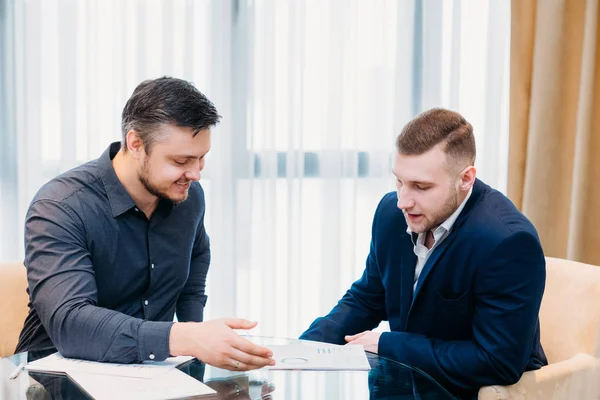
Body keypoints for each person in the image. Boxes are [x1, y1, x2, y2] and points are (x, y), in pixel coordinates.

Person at [15, 77, 275, 371]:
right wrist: (185, 337)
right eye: (181, 161)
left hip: (152, 376)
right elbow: (71, 324)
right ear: (136, 143)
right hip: (55, 378)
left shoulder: (188, 198)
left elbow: (196, 259)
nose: (195, 174)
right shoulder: (61, 207)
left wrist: (197, 340)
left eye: (201, 159)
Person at [300, 108, 547, 398]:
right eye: (399, 181)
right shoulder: (391, 215)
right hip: (400, 386)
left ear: (466, 178)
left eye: (421, 186)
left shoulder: (507, 242)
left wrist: (388, 344)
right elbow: (368, 298)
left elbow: (498, 362)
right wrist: (303, 351)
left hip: (468, 392)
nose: (403, 201)